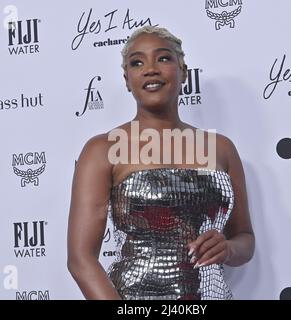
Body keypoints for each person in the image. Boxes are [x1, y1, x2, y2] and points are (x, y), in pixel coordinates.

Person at [67, 26, 255, 300]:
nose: (150, 69)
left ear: (183, 72)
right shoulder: (103, 149)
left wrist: (227, 249)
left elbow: (245, 238)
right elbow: (81, 260)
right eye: (137, 62)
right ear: (127, 79)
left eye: (163, 58)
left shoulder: (221, 148)